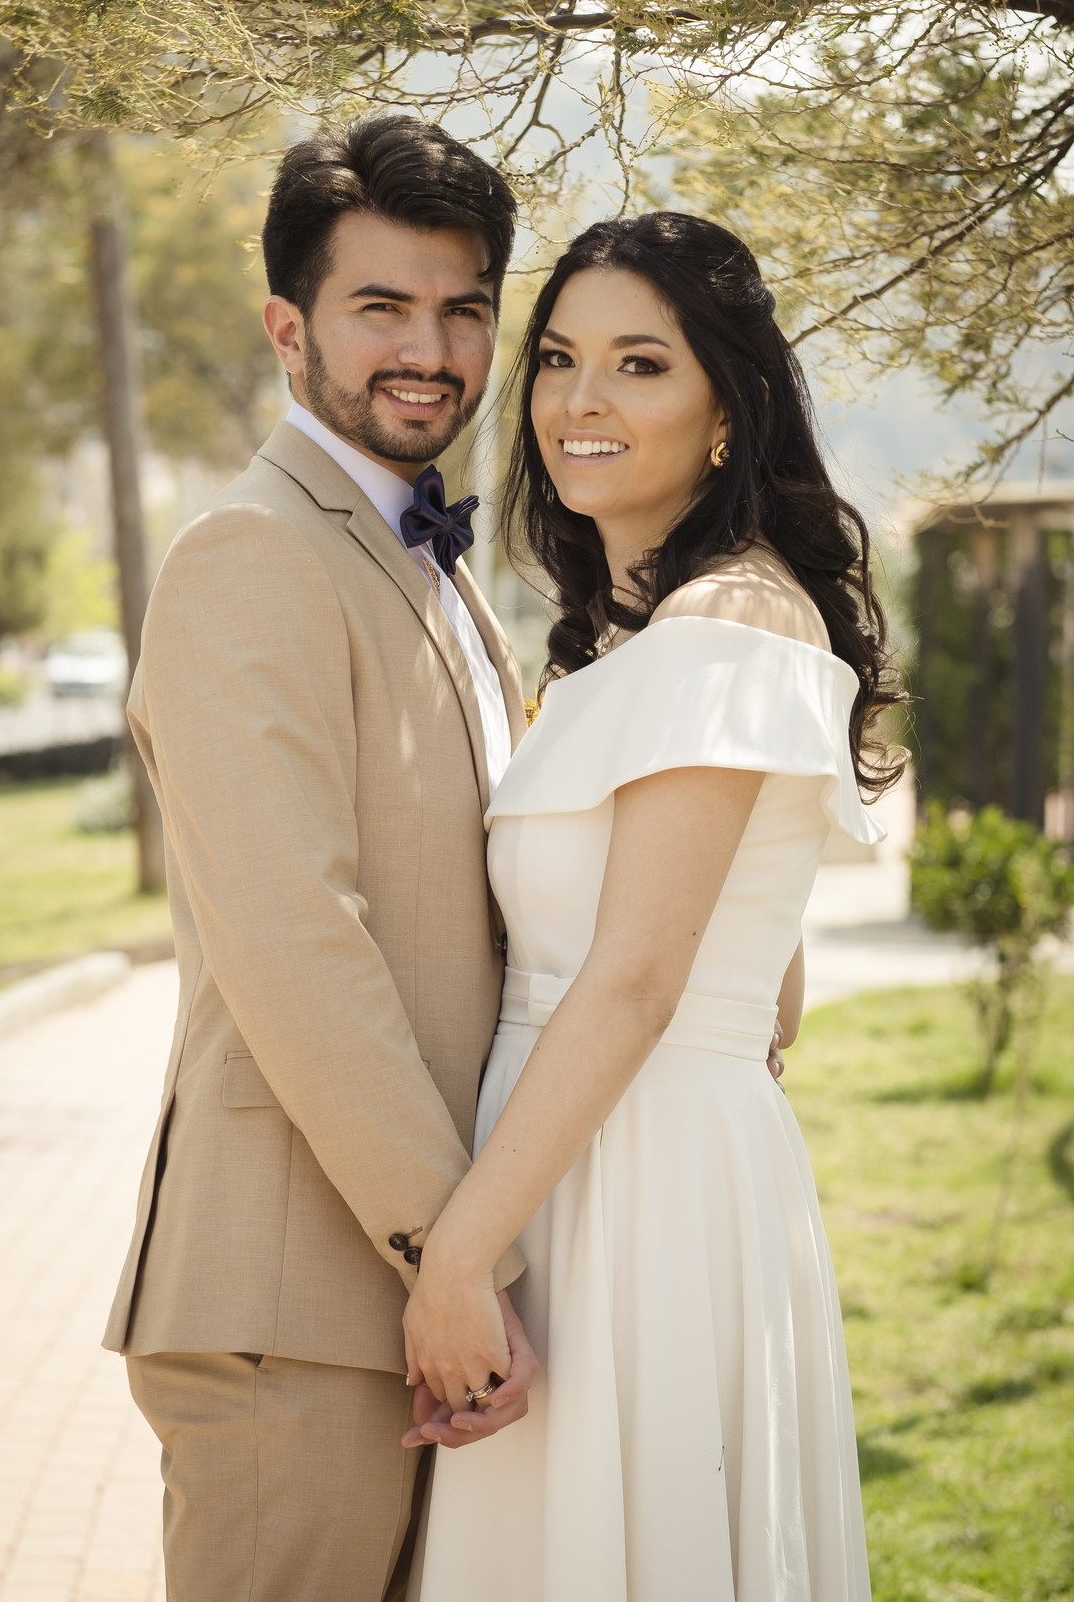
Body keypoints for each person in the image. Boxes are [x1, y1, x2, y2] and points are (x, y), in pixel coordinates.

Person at [405, 212, 900, 1601]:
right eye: (558, 359)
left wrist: (456, 1257)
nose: (580, 401)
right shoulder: (667, 636)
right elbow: (770, 993)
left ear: (728, 411)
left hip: (624, 1191)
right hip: (612, 1160)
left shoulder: (727, 626)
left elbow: (633, 985)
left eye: (640, 364)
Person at [102, 113, 542, 1602]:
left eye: (463, 308)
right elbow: (299, 939)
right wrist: (453, 1255)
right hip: (297, 1310)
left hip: (402, 1299)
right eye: (382, 309)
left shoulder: (430, 565)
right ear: (288, 329)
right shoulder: (251, 557)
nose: (429, 348)